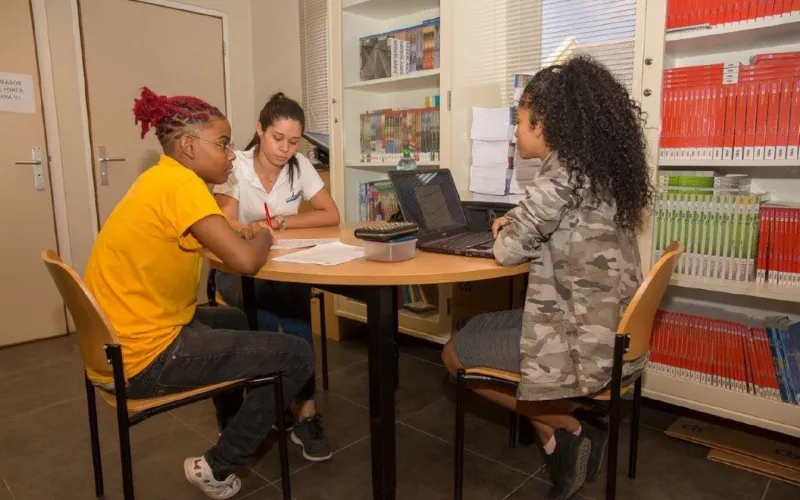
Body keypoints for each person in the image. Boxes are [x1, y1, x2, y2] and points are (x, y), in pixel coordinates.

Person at [84, 87, 315, 499]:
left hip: (116, 346)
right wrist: (261, 232)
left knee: (233, 318)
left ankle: (232, 425)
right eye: (224, 144)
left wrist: (240, 232)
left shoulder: (162, 179)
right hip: (144, 360)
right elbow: (245, 262)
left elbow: (213, 237)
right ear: (188, 146)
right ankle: (217, 465)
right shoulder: (182, 187)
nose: (231, 154)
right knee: (297, 354)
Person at [442, 55, 655, 500]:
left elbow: (505, 252)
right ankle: (559, 443)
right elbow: (552, 224)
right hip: (616, 337)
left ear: (544, 124)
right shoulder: (597, 172)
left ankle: (573, 429)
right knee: (487, 326)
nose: (516, 132)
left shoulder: (560, 176)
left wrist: (510, 228)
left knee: (455, 352)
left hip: (583, 344)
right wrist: (519, 221)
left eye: (520, 122)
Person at [212, 92, 340, 462]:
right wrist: (252, 229)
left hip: (282, 267)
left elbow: (329, 214)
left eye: (294, 141)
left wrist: (278, 222)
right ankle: (281, 405)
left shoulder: (300, 165)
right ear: (259, 130)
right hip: (239, 269)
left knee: (294, 316)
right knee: (278, 319)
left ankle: (303, 409)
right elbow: (228, 223)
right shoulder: (235, 165)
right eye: (277, 139)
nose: (285, 149)